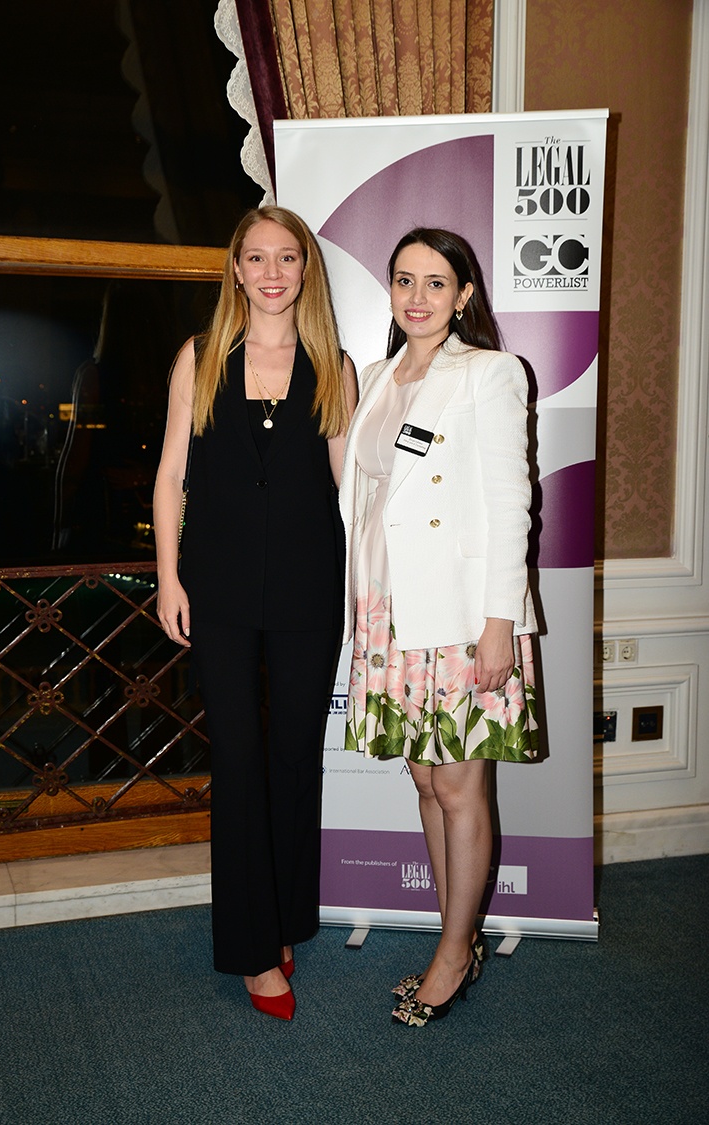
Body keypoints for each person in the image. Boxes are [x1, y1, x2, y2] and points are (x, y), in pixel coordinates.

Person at [153, 206, 357, 1021]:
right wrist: (168, 577)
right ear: (235, 269)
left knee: (296, 756)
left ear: (306, 270)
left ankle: (285, 917)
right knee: (238, 758)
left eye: (288, 257)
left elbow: (352, 488)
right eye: (257, 257)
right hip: (221, 589)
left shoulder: (333, 364)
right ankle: (251, 949)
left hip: (310, 587)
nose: (273, 272)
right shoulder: (201, 357)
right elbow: (172, 474)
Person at [339, 228, 538, 1027]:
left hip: (459, 615)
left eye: (435, 282)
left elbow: (512, 504)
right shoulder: (378, 378)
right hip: (390, 612)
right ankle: (455, 936)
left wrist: (499, 624)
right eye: (403, 280)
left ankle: (454, 953)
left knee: (459, 785)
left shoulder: (488, 372)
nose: (416, 296)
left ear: (463, 295)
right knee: (425, 780)